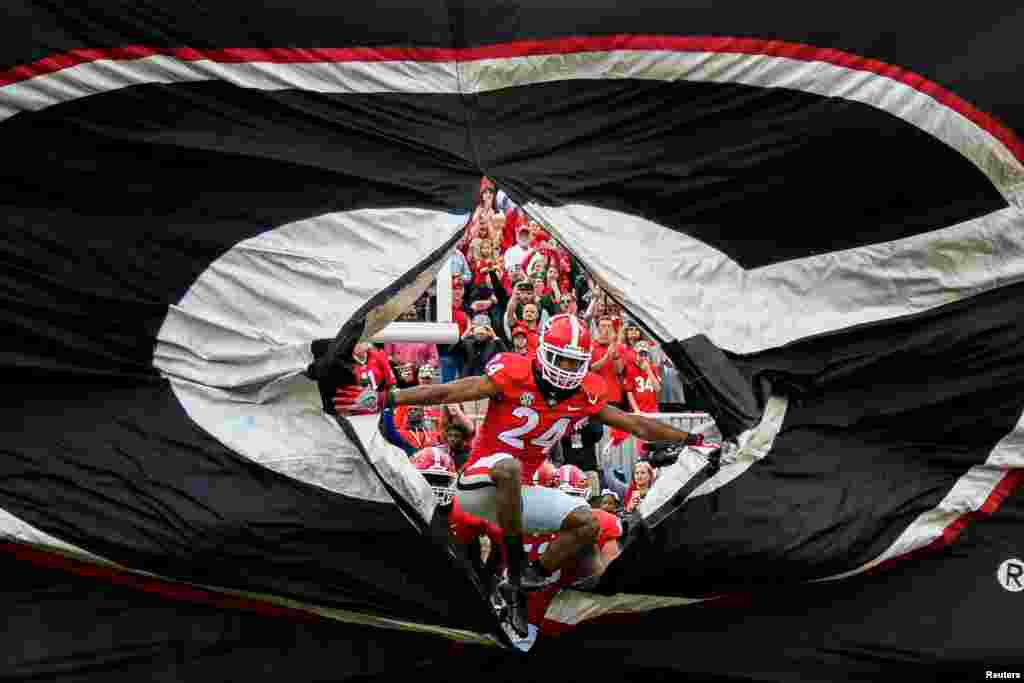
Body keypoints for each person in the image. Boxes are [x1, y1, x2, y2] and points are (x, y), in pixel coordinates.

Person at [333, 313, 700, 636]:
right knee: (507, 467)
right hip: (478, 483)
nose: (567, 372)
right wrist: (389, 398)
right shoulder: (514, 372)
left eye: (575, 365)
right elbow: (450, 389)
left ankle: (520, 582)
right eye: (561, 361)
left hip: (515, 495)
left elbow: (634, 423)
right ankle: (516, 564)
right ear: (542, 354)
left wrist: (693, 438)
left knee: (586, 522)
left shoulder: (583, 395)